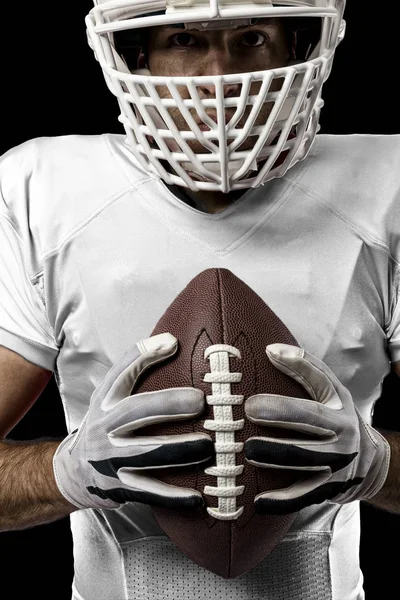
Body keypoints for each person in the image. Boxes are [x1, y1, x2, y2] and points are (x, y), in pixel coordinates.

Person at [0, 0, 399, 598]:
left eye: (252, 38)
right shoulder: (45, 192)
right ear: (137, 56)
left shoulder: (387, 184)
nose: (220, 76)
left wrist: (376, 465)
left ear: (300, 46)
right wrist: (66, 473)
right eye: (186, 39)